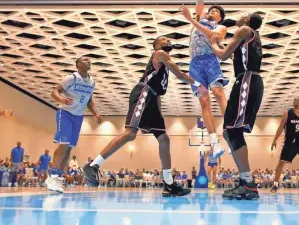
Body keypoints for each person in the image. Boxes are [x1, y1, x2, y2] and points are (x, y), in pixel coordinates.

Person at [82, 36, 208, 197]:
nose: (168, 41)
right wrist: (199, 84)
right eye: (164, 39)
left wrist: (158, 115)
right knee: (130, 134)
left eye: (169, 39)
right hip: (144, 92)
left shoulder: (162, 65)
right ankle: (92, 165)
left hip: (154, 99)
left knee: (164, 138)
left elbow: (160, 91)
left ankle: (168, 184)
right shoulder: (159, 54)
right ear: (156, 45)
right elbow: (180, 74)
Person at [209, 12, 264, 200]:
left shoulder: (244, 29)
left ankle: (248, 183)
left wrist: (213, 43)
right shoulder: (251, 37)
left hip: (247, 81)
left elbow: (223, 55)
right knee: (228, 131)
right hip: (246, 81)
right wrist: (221, 45)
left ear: (248, 20)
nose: (239, 17)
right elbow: (232, 53)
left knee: (233, 131)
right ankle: (245, 181)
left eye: (243, 15)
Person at [179, 0, 228, 159]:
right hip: (195, 64)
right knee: (204, 101)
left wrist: (191, 20)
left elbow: (210, 37)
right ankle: (214, 142)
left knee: (218, 93)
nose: (210, 11)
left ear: (220, 18)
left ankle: (232, 130)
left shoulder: (220, 28)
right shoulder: (201, 18)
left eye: (215, 11)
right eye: (210, 9)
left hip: (210, 61)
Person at [46, 56, 102, 193]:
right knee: (63, 144)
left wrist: (96, 113)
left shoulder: (92, 82)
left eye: (89, 60)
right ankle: (52, 175)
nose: (88, 61)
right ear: (77, 64)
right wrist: (61, 99)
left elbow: (89, 100)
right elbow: (54, 91)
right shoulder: (71, 78)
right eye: (85, 60)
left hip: (78, 117)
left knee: (69, 149)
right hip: (65, 113)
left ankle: (58, 176)